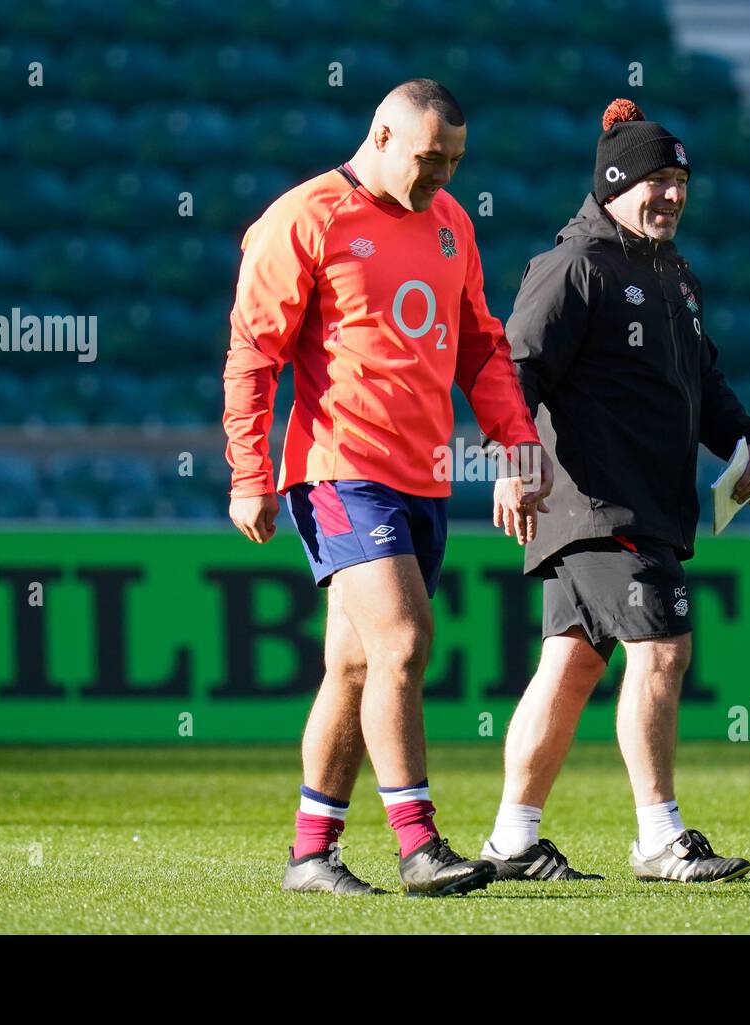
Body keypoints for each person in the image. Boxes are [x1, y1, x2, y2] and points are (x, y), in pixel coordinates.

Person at [222, 79, 552, 896]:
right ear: (379, 135)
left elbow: (480, 346)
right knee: (404, 641)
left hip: (425, 476)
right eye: (429, 157)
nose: (442, 174)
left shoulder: (452, 224)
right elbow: (253, 355)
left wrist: (516, 441)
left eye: (454, 161)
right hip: (340, 468)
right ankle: (419, 844)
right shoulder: (304, 218)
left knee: (357, 667)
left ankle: (311, 854)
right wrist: (249, 473)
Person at [480, 98, 750, 883]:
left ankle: (512, 839)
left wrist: (749, 443)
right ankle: (658, 835)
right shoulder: (575, 266)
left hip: (640, 503)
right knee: (664, 651)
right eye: (657, 179)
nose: (673, 194)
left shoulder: (675, 276)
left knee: (571, 667)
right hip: (598, 503)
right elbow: (514, 368)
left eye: (681, 180)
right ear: (614, 184)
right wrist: (512, 459)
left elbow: (703, 382)